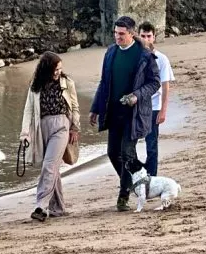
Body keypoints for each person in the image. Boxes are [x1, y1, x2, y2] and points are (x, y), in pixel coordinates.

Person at [89, 16, 160, 212]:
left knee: (127, 153)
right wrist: (95, 108)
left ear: (131, 34)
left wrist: (137, 95)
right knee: (113, 153)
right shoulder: (111, 52)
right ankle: (133, 182)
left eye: (121, 34)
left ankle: (123, 195)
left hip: (134, 113)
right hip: (113, 112)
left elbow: (155, 83)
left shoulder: (144, 55)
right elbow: (104, 83)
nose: (117, 37)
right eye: (115, 33)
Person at [19, 51, 80, 222]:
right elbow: (29, 110)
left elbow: (74, 107)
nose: (58, 72)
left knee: (49, 165)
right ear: (46, 69)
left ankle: (40, 205)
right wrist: (25, 133)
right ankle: (58, 208)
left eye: (60, 69)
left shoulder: (67, 82)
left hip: (61, 127)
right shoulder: (35, 85)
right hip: (41, 127)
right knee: (52, 169)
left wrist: (75, 127)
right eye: (55, 69)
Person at [138, 21, 176, 177]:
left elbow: (165, 86)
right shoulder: (133, 56)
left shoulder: (161, 59)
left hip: (153, 106)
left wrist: (163, 110)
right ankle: (137, 172)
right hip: (135, 105)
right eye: (143, 36)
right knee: (128, 144)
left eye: (149, 36)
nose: (146, 39)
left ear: (154, 37)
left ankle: (151, 177)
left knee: (151, 145)